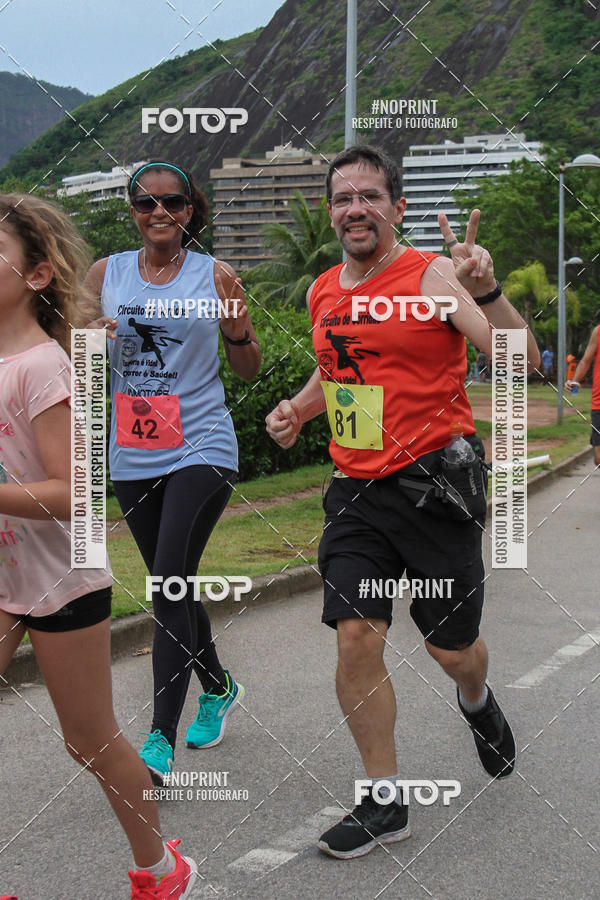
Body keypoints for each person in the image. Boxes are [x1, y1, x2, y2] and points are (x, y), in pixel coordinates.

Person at [266, 145, 541, 860]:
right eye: (342, 198)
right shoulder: (322, 290)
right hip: (356, 493)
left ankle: (477, 701)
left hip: (434, 490)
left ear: (397, 207)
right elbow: (338, 372)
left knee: (452, 654)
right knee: (356, 634)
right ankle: (384, 800)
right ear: (332, 211)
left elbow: (523, 362)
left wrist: (486, 291)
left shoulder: (434, 275)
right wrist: (298, 410)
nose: (354, 209)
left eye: (369, 196)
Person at [0, 193, 196, 898]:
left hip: (62, 577)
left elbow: (70, 493)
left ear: (38, 276)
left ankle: (160, 867)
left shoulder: (44, 368)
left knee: (87, 740)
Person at [84, 161, 261, 784]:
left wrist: (239, 332)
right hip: (133, 449)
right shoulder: (105, 274)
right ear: (131, 209)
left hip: (203, 445)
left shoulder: (213, 274)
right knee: (174, 578)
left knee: (166, 584)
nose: (159, 212)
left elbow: (246, 368)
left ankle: (158, 741)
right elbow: (73, 356)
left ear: (191, 210)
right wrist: (87, 341)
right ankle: (217, 684)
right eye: (145, 202)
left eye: (173, 202)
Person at [566, 325, 600, 465]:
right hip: (598, 403)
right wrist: (574, 381)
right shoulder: (598, 332)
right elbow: (585, 361)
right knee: (599, 458)